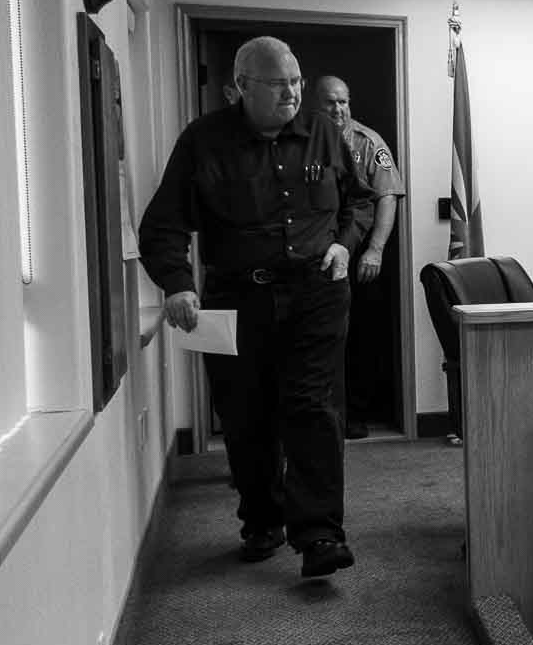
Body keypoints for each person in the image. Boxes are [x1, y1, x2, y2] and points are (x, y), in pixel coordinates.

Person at [138, 36, 374, 578]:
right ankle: (262, 518)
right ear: (242, 87)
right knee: (247, 415)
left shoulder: (324, 132)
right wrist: (177, 283)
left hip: (317, 291)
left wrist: (344, 241)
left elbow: (359, 200)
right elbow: (163, 225)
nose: (292, 93)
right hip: (238, 297)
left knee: (312, 407)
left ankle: (319, 535)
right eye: (277, 84)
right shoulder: (204, 141)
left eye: (295, 81)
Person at [312, 75, 404, 439]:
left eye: (343, 102)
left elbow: (386, 196)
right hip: (314, 260)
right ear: (314, 106)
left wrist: (375, 249)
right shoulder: (300, 142)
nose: (338, 109)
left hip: (357, 256)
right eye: (330, 103)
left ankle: (355, 414)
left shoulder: (367, 142)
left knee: (359, 339)